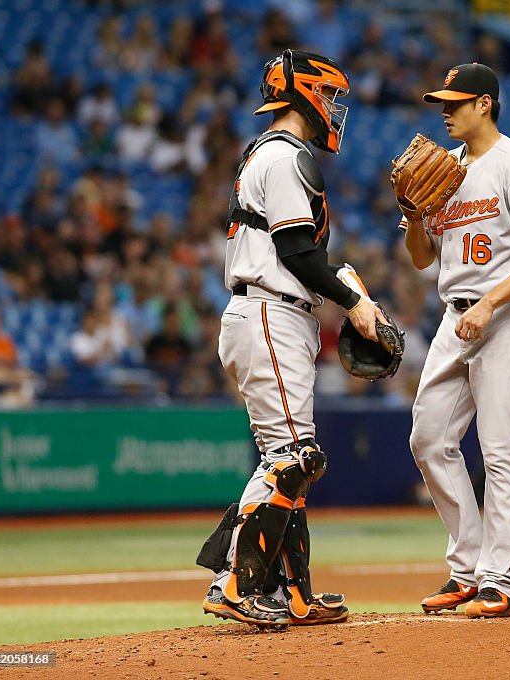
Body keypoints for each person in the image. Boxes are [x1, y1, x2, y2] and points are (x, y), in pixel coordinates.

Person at [197, 49, 388, 628]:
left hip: (276, 314)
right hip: (268, 314)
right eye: (328, 95)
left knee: (294, 462)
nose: (334, 107)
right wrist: (354, 303)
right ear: (304, 92)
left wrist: (344, 286)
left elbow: (303, 254)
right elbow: (296, 251)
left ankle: (290, 594)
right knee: (293, 458)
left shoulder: (273, 155)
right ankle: (234, 583)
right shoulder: (282, 156)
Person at [401, 63, 510, 618]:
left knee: (499, 451)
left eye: (455, 102)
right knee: (427, 439)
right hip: (454, 315)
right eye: (442, 103)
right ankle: (467, 569)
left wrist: (493, 301)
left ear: (485, 105)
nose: (444, 112)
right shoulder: (443, 170)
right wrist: (414, 217)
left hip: (505, 318)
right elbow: (424, 259)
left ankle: (499, 579)